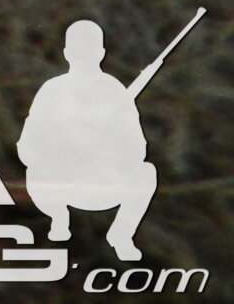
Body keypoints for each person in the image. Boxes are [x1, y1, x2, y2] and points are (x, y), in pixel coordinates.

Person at [20, 19, 163, 262]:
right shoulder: (52, 91)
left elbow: (138, 148)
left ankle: (121, 234)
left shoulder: (115, 92)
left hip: (103, 183)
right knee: (35, 171)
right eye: (78, 50)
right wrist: (60, 150)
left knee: (146, 173)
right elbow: (27, 146)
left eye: (89, 50)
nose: (83, 56)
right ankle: (58, 218)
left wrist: (106, 150)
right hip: (61, 184)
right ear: (67, 53)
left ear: (101, 53)